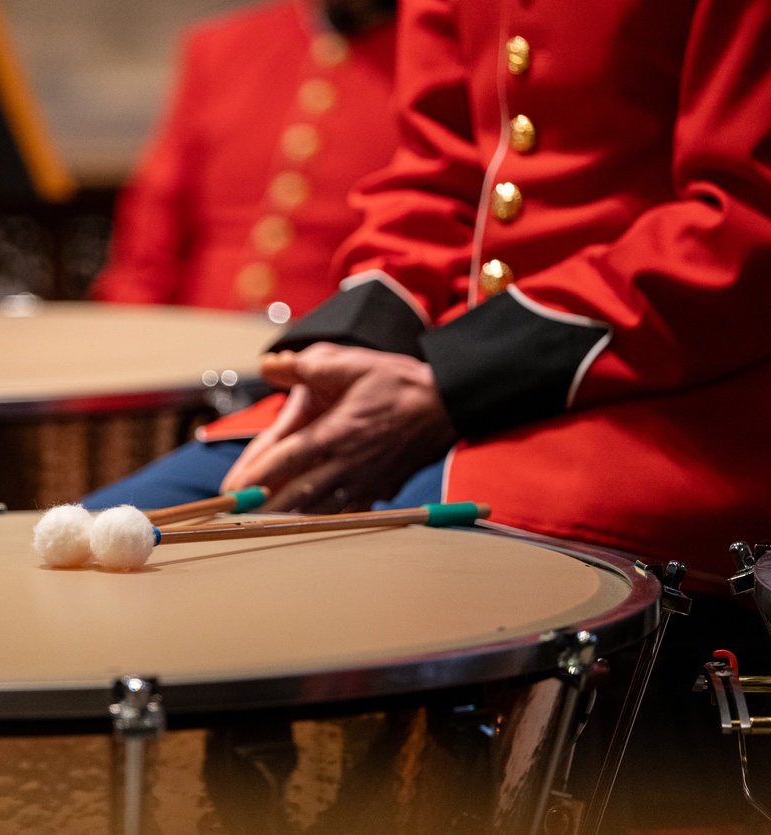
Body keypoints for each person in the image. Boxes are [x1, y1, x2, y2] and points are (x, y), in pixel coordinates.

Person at [85, 2, 771, 829]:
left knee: (333, 593)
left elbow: (746, 221)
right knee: (90, 561)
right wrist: (360, 347)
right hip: (456, 384)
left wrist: (455, 379)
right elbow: (432, 177)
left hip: (662, 407)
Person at [87, 0, 399, 319]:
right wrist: (129, 325)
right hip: (200, 331)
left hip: (336, 340)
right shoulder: (221, 46)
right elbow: (156, 213)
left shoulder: (426, 59)